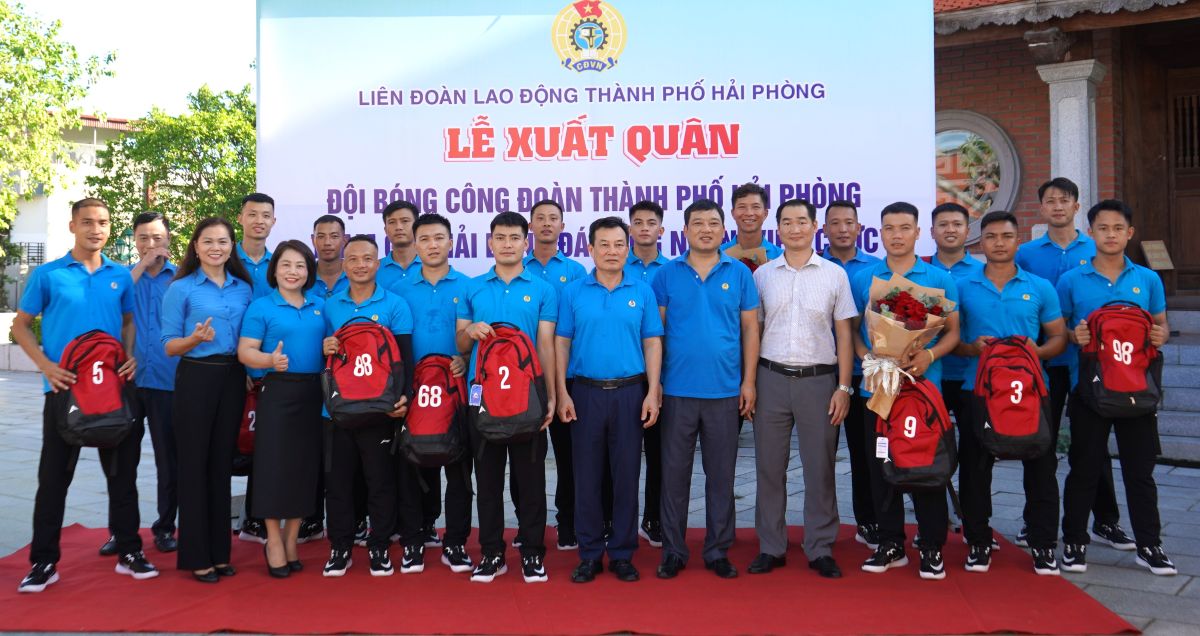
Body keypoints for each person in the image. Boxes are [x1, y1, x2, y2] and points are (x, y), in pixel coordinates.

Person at [14, 198, 154, 593]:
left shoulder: (120, 275)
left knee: (123, 477)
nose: (96, 229)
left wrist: (129, 354)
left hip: (112, 391)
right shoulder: (48, 275)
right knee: (53, 480)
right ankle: (44, 562)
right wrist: (46, 366)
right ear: (72, 225)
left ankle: (129, 551)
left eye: (103, 223)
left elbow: (128, 321)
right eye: (88, 222)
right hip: (64, 392)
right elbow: (20, 327)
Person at [1057, 200, 1176, 576]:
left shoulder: (1148, 279)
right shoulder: (1071, 280)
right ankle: (1075, 541)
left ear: (1130, 233)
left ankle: (1149, 544)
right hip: (1089, 389)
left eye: (1118, 228)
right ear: (1090, 232)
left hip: (1137, 389)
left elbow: (1161, 324)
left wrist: (1161, 334)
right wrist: (1073, 336)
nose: (1111, 234)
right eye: (1103, 228)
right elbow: (1058, 330)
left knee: (1140, 471)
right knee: (1084, 467)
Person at [1015, 178, 1131, 551]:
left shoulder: (1096, 246)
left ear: (1077, 207)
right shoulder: (1026, 253)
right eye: (1050, 201)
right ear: (1041, 208)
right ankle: (1035, 520)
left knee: (1092, 446)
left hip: (1091, 364)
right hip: (1044, 361)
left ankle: (1106, 520)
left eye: (1064, 200)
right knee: (1039, 445)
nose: (1058, 206)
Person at [850, 202, 960, 580]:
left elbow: (954, 333)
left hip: (921, 392)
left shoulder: (938, 279)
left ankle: (931, 546)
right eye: (889, 228)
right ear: (879, 233)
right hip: (878, 392)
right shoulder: (864, 278)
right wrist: (869, 357)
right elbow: (851, 331)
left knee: (925, 466)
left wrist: (928, 354)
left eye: (904, 228)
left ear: (918, 232)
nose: (897, 235)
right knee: (881, 466)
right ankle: (890, 542)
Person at [953, 211, 1066, 575]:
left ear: (1018, 240)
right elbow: (951, 340)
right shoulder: (962, 286)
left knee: (1041, 469)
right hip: (978, 391)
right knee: (975, 469)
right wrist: (971, 347)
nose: (999, 243)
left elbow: (1059, 337)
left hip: (1031, 392)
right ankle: (978, 540)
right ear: (980, 242)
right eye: (991, 236)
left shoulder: (1040, 286)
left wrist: (1038, 351)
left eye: (1006, 236)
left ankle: (1043, 543)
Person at [749, 199, 857, 579]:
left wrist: (844, 387)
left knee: (820, 467)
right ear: (777, 228)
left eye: (801, 221)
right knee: (768, 467)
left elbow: (844, 335)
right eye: (787, 222)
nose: (794, 228)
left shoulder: (834, 276)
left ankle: (820, 546)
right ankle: (771, 546)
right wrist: (750, 383)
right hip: (771, 379)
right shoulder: (763, 276)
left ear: (815, 227)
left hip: (819, 381)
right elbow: (754, 331)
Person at [652, 199, 759, 580]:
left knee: (722, 476)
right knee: (673, 476)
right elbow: (656, 334)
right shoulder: (666, 275)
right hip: (677, 390)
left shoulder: (739, 273)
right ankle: (673, 550)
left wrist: (749, 381)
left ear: (723, 229)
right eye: (697, 223)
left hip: (725, 390)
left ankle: (717, 550)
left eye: (713, 223)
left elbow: (750, 329)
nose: (706, 230)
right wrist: (655, 384)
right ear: (685, 231)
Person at [556, 217, 663, 583]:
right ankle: (589, 553)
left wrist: (653, 391)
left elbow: (652, 342)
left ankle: (621, 552)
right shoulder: (573, 292)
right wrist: (562, 392)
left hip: (630, 393)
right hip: (585, 393)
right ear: (590, 249)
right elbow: (562, 343)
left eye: (619, 244)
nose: (612, 251)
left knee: (626, 475)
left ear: (627, 248)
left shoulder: (642, 291)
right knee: (586, 477)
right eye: (604, 244)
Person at [456, 211, 558, 583]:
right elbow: (460, 342)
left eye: (515, 238)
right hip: (483, 399)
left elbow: (545, 345)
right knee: (487, 481)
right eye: (500, 237)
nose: (507, 244)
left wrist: (550, 395)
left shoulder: (543, 289)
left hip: (527, 396)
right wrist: (471, 331)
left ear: (525, 242)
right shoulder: (473, 288)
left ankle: (532, 552)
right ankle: (492, 553)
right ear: (490, 242)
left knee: (531, 481)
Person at [161, 217, 253, 583]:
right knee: (194, 466)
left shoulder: (243, 289)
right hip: (196, 376)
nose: (216, 247)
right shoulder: (181, 288)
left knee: (220, 465)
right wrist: (195, 339)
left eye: (223, 241)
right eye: (208, 241)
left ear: (232, 247)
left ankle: (219, 553)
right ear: (196, 247)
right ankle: (197, 556)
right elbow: (169, 346)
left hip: (233, 378)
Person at [320, 235, 414, 577]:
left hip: (378, 409)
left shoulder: (395, 304)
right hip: (338, 410)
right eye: (354, 259)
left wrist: (402, 398)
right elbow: (324, 357)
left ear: (378, 263)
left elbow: (404, 358)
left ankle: (379, 546)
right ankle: (340, 547)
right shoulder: (330, 306)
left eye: (367, 259)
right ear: (344, 265)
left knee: (380, 481)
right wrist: (326, 346)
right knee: (338, 483)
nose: (360, 265)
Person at [237, 241, 326, 578]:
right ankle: (273, 539)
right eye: (286, 265)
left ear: (309, 272)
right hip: (276, 392)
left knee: (305, 468)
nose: (293, 272)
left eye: (300, 266)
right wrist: (269, 361)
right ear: (274, 270)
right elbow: (245, 351)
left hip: (313, 394)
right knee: (273, 468)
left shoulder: (320, 306)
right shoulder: (261, 307)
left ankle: (292, 538)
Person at [392, 213, 475, 573]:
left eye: (439, 238)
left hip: (456, 392)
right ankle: (414, 539)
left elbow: (475, 339)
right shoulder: (399, 291)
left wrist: (465, 358)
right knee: (412, 469)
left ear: (451, 242)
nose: (432, 245)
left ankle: (455, 541)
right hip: (414, 393)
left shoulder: (469, 287)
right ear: (415, 244)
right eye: (424, 239)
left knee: (459, 471)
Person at [522, 199, 586, 550]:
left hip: (566, 376)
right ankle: (525, 525)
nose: (547, 223)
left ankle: (568, 522)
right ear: (530, 226)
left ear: (563, 226)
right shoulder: (517, 268)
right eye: (540, 218)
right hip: (523, 378)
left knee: (568, 456)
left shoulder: (575, 272)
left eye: (553, 218)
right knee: (525, 456)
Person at [377, 200, 440, 549]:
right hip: (396, 379)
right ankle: (398, 522)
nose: (399, 226)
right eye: (393, 221)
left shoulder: (445, 274)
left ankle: (428, 522)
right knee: (398, 456)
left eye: (406, 221)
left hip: (440, 382)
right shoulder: (380, 275)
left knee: (434, 451)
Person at [820, 200, 883, 548]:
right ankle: (819, 524)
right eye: (835, 223)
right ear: (824, 229)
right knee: (818, 455)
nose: (842, 229)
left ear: (859, 227)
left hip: (865, 374)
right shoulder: (814, 265)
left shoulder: (876, 270)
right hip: (820, 372)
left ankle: (868, 520)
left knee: (865, 452)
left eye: (849, 222)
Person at [120, 212, 180, 556]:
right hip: (128, 379)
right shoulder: (124, 276)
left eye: (157, 237)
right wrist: (142, 264)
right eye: (143, 237)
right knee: (122, 462)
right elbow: (113, 301)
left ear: (169, 239)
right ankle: (121, 531)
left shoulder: (181, 278)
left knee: (168, 462)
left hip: (168, 381)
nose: (151, 244)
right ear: (135, 240)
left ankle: (165, 527)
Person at [624, 200, 669, 548]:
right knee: (619, 455)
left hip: (660, 374)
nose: (644, 228)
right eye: (637, 222)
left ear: (661, 230)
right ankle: (615, 521)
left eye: (650, 223)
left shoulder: (672, 271)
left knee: (658, 453)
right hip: (622, 374)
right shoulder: (612, 265)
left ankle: (653, 517)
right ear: (630, 229)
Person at [235, 193, 277, 545]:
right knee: (229, 446)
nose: (259, 221)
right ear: (241, 218)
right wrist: (243, 366)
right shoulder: (224, 258)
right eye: (253, 214)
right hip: (233, 368)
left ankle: (256, 518)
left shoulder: (280, 264)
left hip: (272, 371)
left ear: (273, 221)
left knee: (267, 449)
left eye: (265, 215)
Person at [927, 203, 984, 425]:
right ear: (932, 232)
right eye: (943, 225)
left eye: (957, 224)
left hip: (970, 373)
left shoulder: (984, 272)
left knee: (973, 440)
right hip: (929, 372)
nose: (950, 229)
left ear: (967, 231)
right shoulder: (920, 271)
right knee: (931, 441)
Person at [721, 182, 782, 270]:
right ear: (733, 213)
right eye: (742, 207)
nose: (749, 213)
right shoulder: (718, 255)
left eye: (755, 207)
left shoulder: (781, 257)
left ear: (765, 213)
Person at [310, 215, 350, 300]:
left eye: (334, 236)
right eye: (321, 237)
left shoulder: (356, 275)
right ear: (313, 240)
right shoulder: (303, 276)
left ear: (344, 240)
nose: (327, 242)